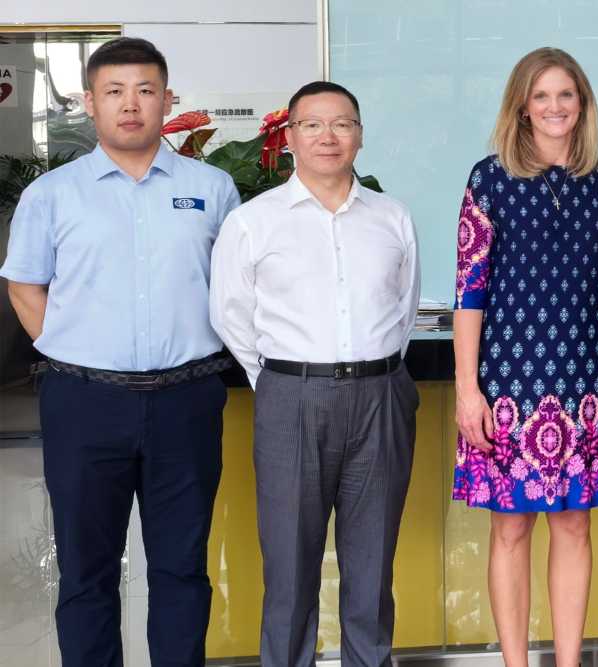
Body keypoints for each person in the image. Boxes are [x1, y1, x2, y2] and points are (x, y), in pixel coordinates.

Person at [1, 37, 239, 667]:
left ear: (168, 99)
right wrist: (74, 350)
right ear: (90, 102)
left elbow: (236, 288)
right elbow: (24, 286)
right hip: (84, 402)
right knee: (87, 570)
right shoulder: (52, 194)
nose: (130, 104)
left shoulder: (213, 188)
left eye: (144, 90)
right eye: (114, 91)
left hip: (187, 398)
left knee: (182, 567)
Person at [208, 80, 421, 667]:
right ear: (290, 137)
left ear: (360, 135)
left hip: (380, 396)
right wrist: (281, 381)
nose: (329, 136)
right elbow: (230, 314)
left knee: (373, 566)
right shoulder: (252, 222)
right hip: (291, 398)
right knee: (290, 566)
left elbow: (403, 309)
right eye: (312, 125)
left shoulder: (392, 217)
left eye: (342, 124)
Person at [449, 47, 598, 667]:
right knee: (509, 528)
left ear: (582, 103)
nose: (555, 106)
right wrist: (467, 389)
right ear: (522, 107)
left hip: (588, 378)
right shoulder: (490, 178)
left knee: (575, 526)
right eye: (541, 96)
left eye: (565, 94)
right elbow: (469, 290)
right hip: (507, 383)